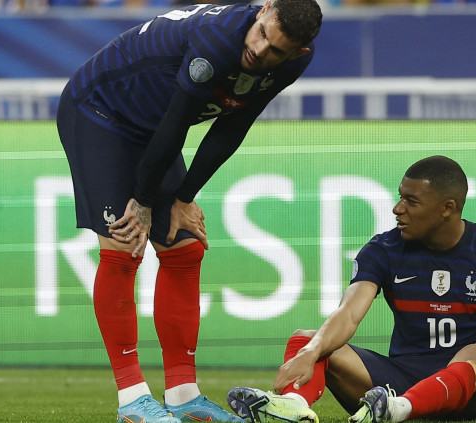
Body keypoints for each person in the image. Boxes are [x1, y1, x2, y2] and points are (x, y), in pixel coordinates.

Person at [55, 0, 322, 422]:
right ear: (264, 10)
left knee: (185, 249)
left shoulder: (293, 62)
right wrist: (144, 203)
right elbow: (176, 124)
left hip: (150, 128)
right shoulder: (216, 41)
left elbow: (233, 126)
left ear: (299, 52)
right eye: (262, 35)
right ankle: (132, 402)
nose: (260, 51)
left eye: (276, 50)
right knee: (125, 245)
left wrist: (183, 198)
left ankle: (183, 395)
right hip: (100, 111)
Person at [225, 155, 476, 422]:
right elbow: (348, 314)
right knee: (308, 339)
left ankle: (399, 409)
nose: (398, 208)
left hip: (472, 394)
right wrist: (310, 352)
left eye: (411, 201)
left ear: (447, 208)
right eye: (400, 197)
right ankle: (294, 407)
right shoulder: (384, 249)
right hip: (398, 383)